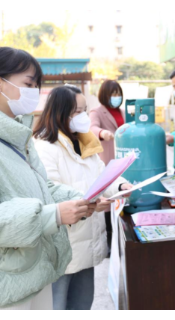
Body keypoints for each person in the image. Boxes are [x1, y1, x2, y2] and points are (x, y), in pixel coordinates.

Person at [0, 47, 96, 310]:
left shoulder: (19, 137)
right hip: (10, 282)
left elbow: (43, 187)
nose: (33, 92)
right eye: (28, 84)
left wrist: (79, 200)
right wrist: (52, 216)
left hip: (34, 271)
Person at [34, 85, 132, 310]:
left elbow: (102, 174)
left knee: (82, 303)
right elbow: (50, 190)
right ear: (60, 112)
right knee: (57, 304)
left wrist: (120, 184)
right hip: (62, 247)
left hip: (87, 243)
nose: (84, 117)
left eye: (85, 110)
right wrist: (92, 203)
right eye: (76, 111)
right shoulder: (45, 146)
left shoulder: (85, 142)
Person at [90, 80, 125, 256]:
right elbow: (92, 128)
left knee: (120, 197)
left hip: (122, 160)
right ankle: (110, 243)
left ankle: (121, 240)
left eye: (118, 93)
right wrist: (102, 133)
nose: (116, 97)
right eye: (113, 93)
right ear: (104, 94)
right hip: (108, 159)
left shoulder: (122, 111)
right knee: (108, 201)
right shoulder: (97, 112)